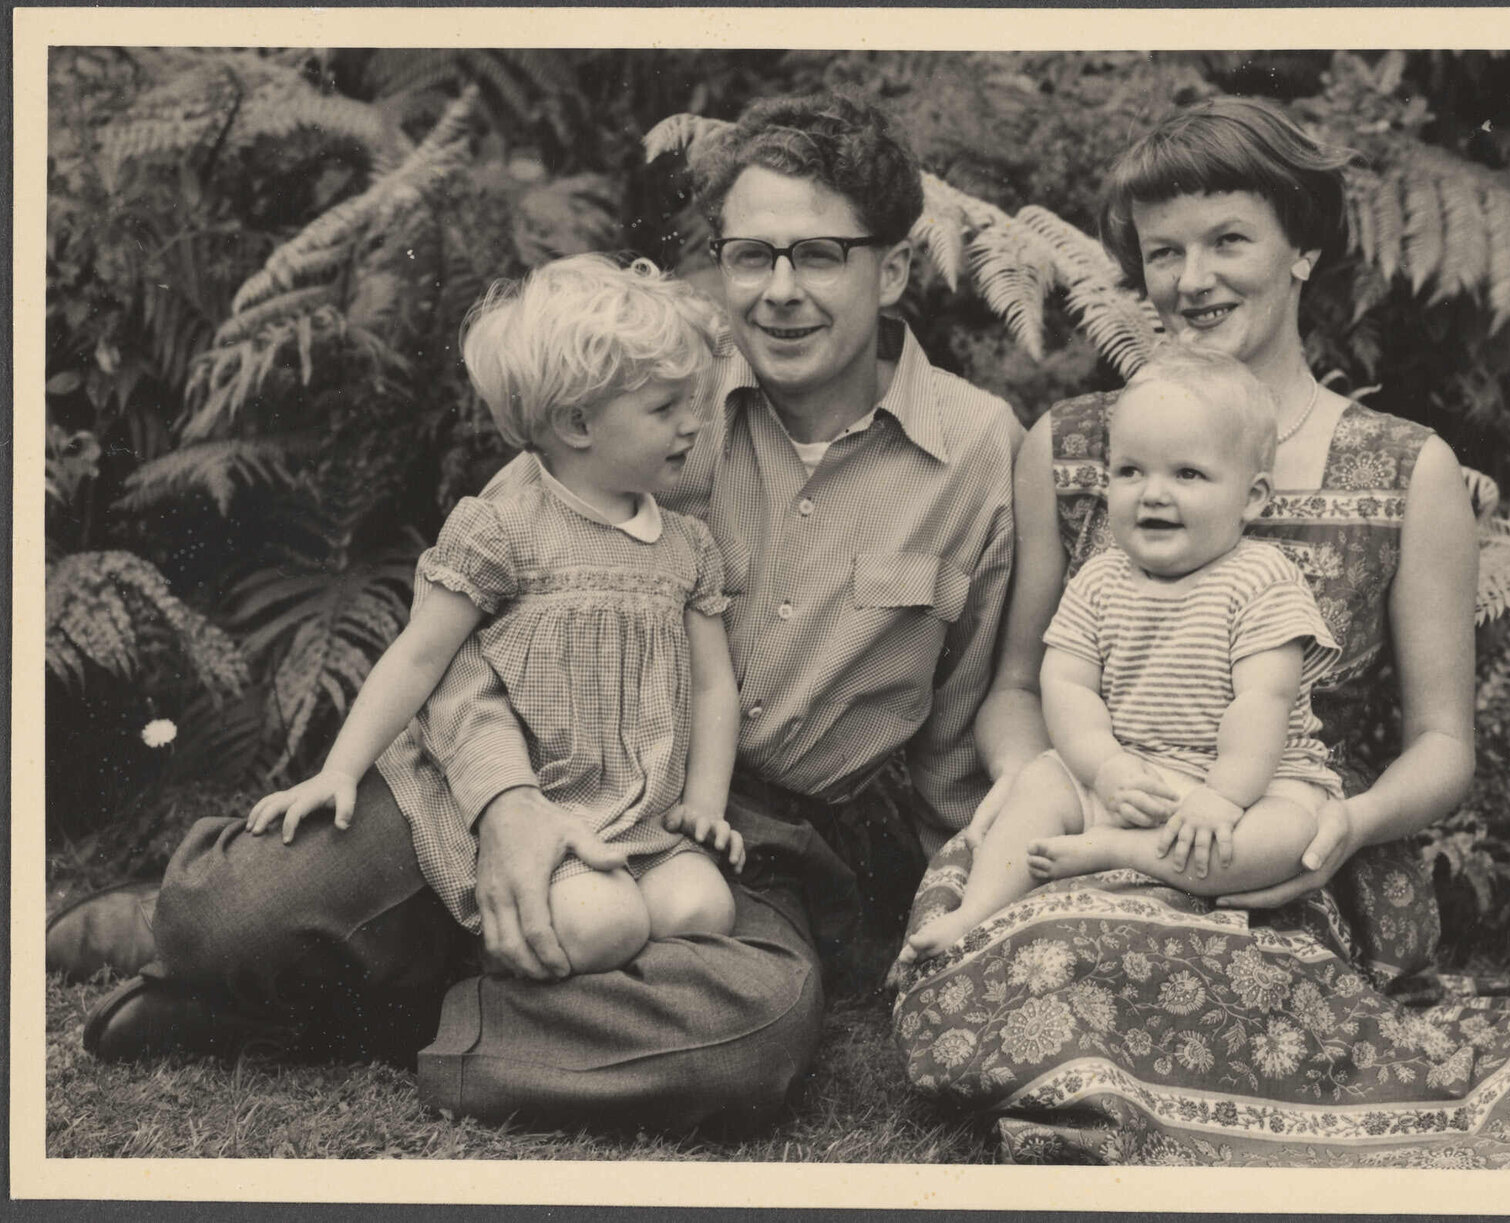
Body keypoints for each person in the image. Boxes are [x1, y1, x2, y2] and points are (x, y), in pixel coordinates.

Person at [66, 91, 1026, 1133]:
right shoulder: (641, 375)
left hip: (740, 834)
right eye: (752, 255)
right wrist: (506, 803)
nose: (780, 290)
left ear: (894, 267)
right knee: (232, 913)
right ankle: (290, 947)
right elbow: (473, 637)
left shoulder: (982, 452)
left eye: (820, 255)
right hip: (533, 755)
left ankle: (374, 1003)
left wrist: (968, 900)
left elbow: (968, 724)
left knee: (749, 1030)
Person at [894, 95, 1510, 1167]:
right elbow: (1021, 686)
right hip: (1087, 815)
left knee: (1079, 964)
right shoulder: (1072, 449)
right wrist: (1054, 786)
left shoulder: (1404, 469)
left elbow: (1441, 745)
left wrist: (1341, 829)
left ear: (1302, 249)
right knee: (983, 955)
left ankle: (1112, 1067)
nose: (1192, 279)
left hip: (1289, 865)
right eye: (1163, 252)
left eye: (1228, 241)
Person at [244, 254, 747, 974]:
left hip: (646, 820)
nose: (694, 423)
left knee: (702, 910)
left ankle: (597, 995)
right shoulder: (504, 531)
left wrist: (703, 805)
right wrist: (339, 769)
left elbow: (710, 684)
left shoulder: (686, 547)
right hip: (541, 815)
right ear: (577, 422)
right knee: (604, 924)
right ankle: (496, 983)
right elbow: (420, 656)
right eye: (665, 409)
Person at [903, 348, 1343, 960]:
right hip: (1131, 771)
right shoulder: (1101, 579)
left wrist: (1223, 796)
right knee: (1038, 786)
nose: (1153, 495)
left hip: (1250, 781)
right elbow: (1068, 687)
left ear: (1252, 496)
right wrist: (1105, 768)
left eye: (1187, 475)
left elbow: (1262, 702)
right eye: (1131, 471)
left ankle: (1119, 852)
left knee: (1289, 833)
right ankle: (974, 916)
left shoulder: (1262, 579)